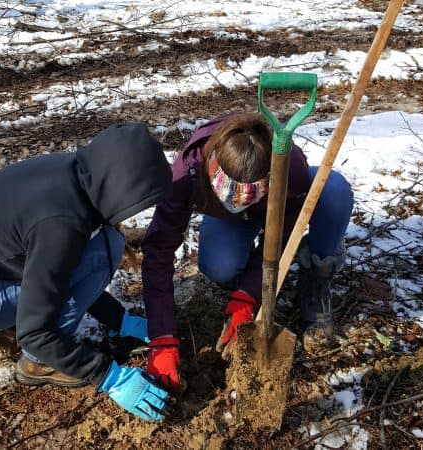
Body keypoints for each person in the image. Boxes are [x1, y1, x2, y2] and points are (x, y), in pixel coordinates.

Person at [0, 123, 173, 422]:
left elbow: (62, 268)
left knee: (105, 245)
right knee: (103, 252)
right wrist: (109, 377)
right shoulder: (61, 224)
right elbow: (34, 332)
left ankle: (23, 321)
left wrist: (121, 320)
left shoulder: (78, 174)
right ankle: (36, 364)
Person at [141, 113, 353, 391]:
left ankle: (317, 272)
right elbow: (158, 249)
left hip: (275, 208)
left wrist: (248, 294)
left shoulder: (291, 169)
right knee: (219, 266)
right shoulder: (188, 172)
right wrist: (162, 337)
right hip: (224, 216)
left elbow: (283, 235)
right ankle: (236, 246)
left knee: (333, 190)